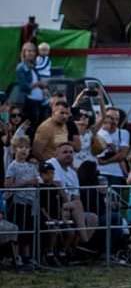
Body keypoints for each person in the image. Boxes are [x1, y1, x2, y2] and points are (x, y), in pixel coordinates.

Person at [46, 142, 99, 246]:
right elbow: (57, 186)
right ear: (56, 153)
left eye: (71, 152)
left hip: (70, 207)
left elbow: (77, 196)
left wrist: (73, 210)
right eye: (65, 152)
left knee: (92, 217)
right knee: (76, 205)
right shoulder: (52, 163)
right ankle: (85, 241)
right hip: (52, 204)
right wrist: (70, 205)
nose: (69, 154)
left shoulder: (73, 173)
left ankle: (75, 247)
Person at [5, 135, 38, 264]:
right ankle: (16, 256)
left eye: (26, 147)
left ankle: (27, 256)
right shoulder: (12, 166)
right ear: (15, 149)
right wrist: (26, 182)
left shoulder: (31, 166)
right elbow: (8, 185)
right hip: (18, 203)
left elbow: (37, 180)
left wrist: (35, 182)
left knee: (29, 230)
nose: (24, 150)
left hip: (31, 203)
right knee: (19, 229)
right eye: (20, 147)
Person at [31, 96, 80, 162]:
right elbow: (36, 152)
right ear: (53, 112)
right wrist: (52, 165)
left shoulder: (64, 125)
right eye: (62, 113)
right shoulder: (45, 128)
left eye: (67, 113)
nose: (65, 116)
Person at [14, 42, 49, 126]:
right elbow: (24, 87)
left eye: (33, 51)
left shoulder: (34, 67)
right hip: (29, 102)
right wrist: (37, 84)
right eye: (28, 51)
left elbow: (38, 81)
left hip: (40, 101)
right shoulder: (21, 67)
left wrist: (44, 88)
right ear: (24, 53)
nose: (31, 53)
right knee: (31, 125)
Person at [97, 106, 130, 187]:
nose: (114, 121)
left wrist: (105, 162)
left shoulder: (123, 133)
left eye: (117, 119)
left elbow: (122, 155)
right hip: (99, 172)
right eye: (111, 118)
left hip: (116, 174)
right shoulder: (97, 132)